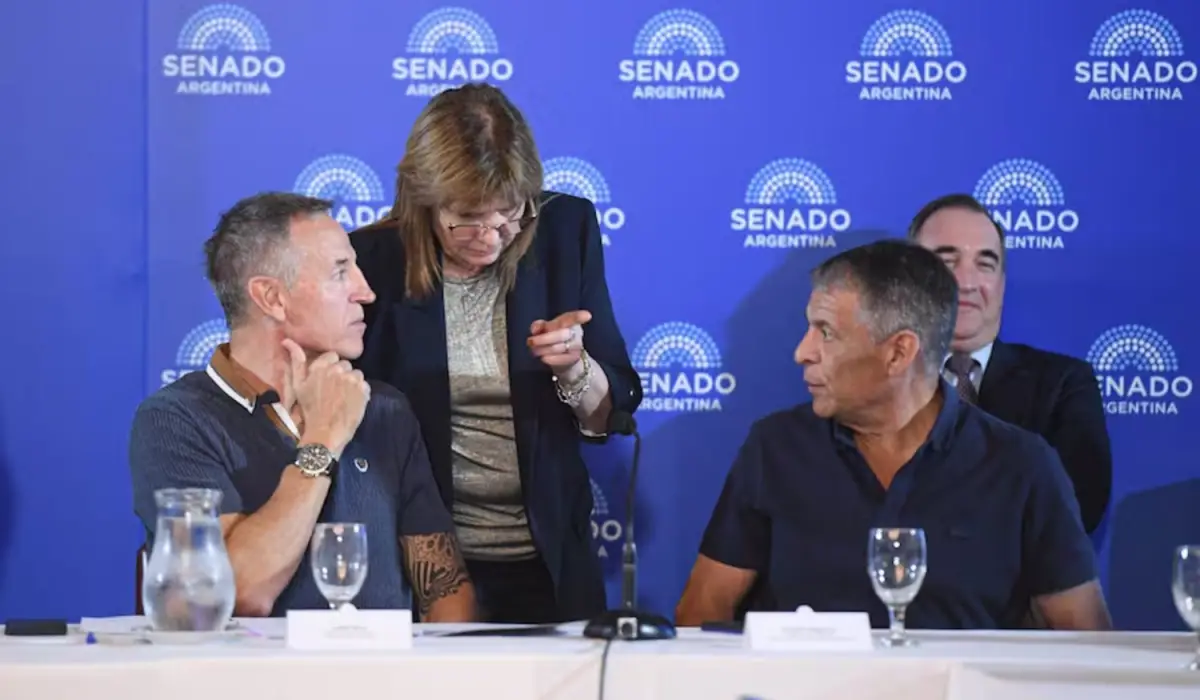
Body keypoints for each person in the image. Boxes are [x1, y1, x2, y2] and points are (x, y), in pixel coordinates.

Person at [675, 239, 1112, 631]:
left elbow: (1086, 644)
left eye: (825, 332)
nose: (802, 352)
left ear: (898, 352)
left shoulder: (1022, 466)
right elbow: (702, 611)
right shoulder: (775, 448)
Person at [349, 83, 641, 624]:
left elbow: (612, 412)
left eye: (508, 214)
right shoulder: (371, 261)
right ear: (424, 198)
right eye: (466, 218)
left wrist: (575, 368)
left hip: (550, 563)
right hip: (421, 569)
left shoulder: (563, 230)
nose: (490, 236)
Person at [129, 192, 476, 621]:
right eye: (340, 272)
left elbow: (444, 589)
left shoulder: (385, 410)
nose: (366, 292)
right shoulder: (176, 421)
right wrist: (324, 440)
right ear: (272, 298)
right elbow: (239, 594)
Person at [907, 194, 1112, 534]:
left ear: (1001, 285)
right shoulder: (876, 381)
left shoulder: (1062, 385)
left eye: (985, 264)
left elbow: (1076, 510)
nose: (967, 282)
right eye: (947, 262)